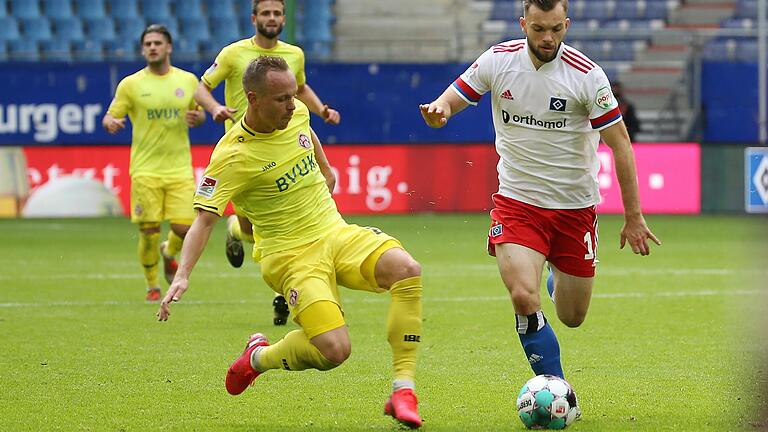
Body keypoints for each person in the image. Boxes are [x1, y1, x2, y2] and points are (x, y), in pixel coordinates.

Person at [419, 0, 660, 414]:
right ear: (523, 24)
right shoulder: (499, 61)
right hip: (518, 204)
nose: (547, 38)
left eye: (555, 29)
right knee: (521, 295)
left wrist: (633, 216)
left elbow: (620, 145)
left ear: (566, 24)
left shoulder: (588, 76)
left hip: (574, 210)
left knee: (572, 316)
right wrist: (440, 111)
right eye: (538, 29)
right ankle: (561, 394)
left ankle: (556, 278)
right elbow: (454, 98)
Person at [158, 56, 424, 429]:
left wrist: (326, 169)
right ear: (253, 99)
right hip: (290, 257)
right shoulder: (232, 154)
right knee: (335, 351)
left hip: (334, 231)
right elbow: (203, 220)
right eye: (281, 98)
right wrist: (183, 274)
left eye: (292, 95)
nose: (292, 104)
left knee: (407, 270)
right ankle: (257, 359)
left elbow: (307, 131)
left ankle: (403, 389)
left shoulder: (296, 112)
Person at [194, 0, 341, 326]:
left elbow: (299, 89)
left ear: (283, 19)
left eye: (277, 13)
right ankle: (236, 229)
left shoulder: (294, 55)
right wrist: (214, 108)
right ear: (254, 18)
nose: (272, 18)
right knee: (251, 227)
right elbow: (201, 87)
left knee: (288, 225)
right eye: (266, 13)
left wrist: (321, 111)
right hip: (247, 158)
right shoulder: (233, 54)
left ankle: (288, 289)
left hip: (285, 145)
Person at [102, 24, 206, 301]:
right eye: (147, 43)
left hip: (179, 168)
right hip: (146, 169)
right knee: (148, 231)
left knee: (185, 228)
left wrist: (200, 118)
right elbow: (110, 116)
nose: (152, 47)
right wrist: (111, 122)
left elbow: (200, 114)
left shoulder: (188, 81)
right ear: (143, 49)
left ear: (168, 47)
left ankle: (168, 252)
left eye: (157, 43)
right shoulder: (131, 84)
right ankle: (152, 285)